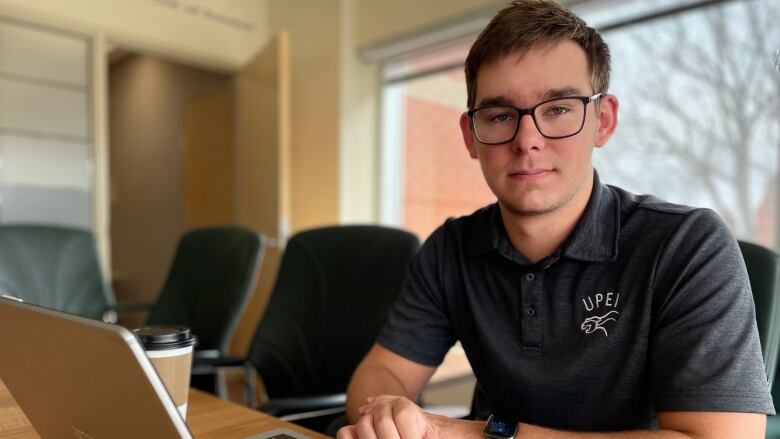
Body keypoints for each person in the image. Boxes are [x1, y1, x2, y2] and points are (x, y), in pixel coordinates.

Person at [338, 0, 775, 438]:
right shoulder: (450, 249)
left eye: (558, 109)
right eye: (500, 115)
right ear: (471, 137)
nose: (527, 140)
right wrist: (386, 411)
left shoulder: (687, 245)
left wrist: (482, 434)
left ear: (602, 121)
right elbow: (381, 372)